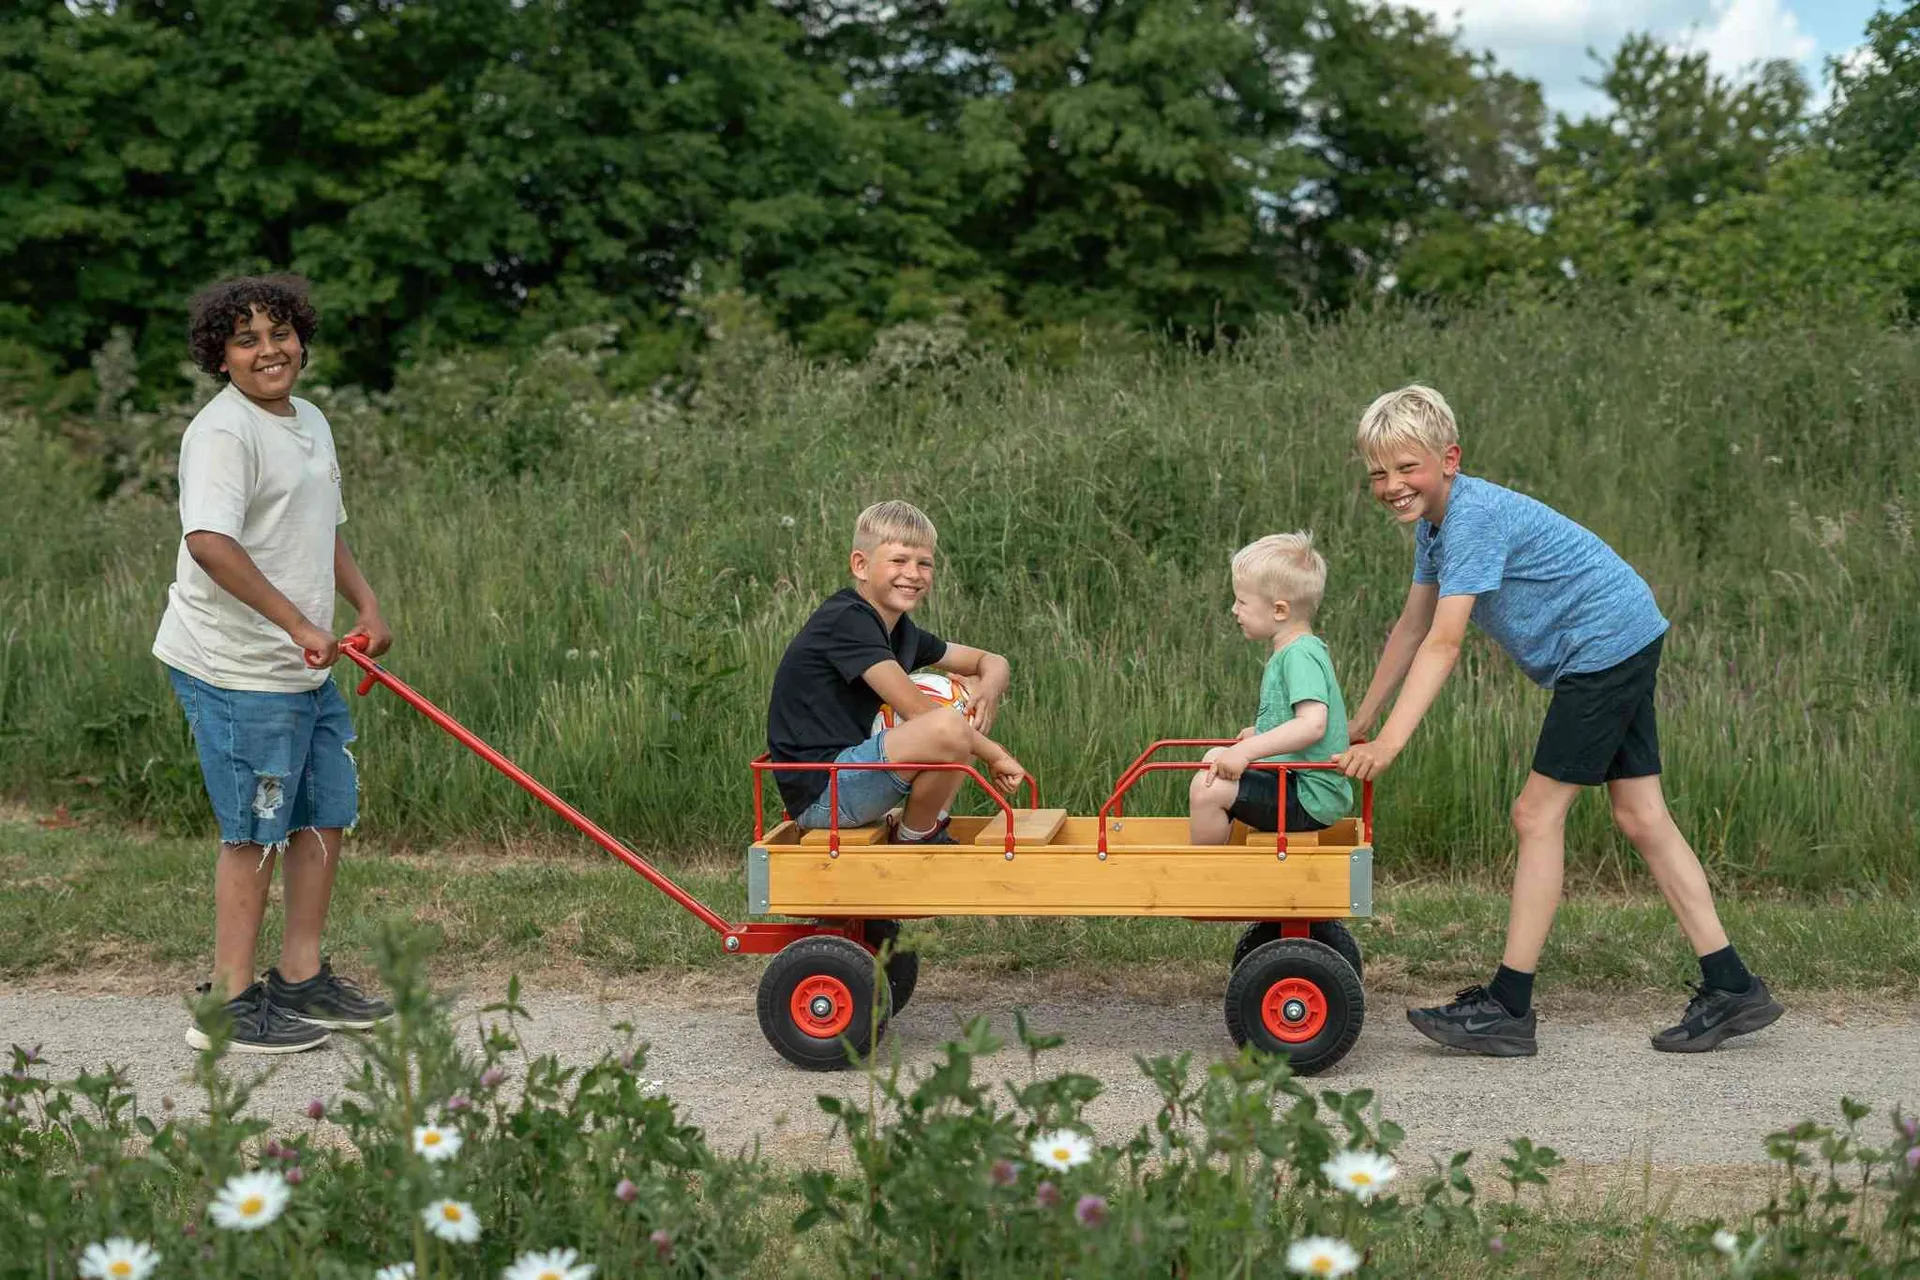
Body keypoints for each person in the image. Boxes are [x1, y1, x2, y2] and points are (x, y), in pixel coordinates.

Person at [1335, 384, 1782, 1056]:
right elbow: (1412, 624)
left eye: (1407, 468)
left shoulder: (1474, 519)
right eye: (1379, 473)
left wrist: (1393, 742)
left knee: (1535, 815)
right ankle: (1733, 986)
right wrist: (1361, 719)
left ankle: (1510, 1007)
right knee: (1641, 816)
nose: (1393, 485)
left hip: (1603, 648)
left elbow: (1445, 643)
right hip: (1620, 635)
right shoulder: (1437, 527)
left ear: (1449, 459)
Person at [154, 274, 394, 1053]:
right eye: (247, 339)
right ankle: (227, 1003)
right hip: (236, 668)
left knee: (324, 812)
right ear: (218, 356)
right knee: (255, 829)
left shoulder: (311, 421)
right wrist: (296, 621)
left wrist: (365, 605)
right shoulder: (223, 433)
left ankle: (300, 979)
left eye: (280, 333)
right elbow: (210, 543)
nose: (270, 350)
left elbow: (322, 526)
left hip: (304, 665)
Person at [767, 500, 1025, 843]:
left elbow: (991, 660)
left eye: (925, 563)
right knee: (948, 724)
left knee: (958, 712)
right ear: (861, 565)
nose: (914, 573)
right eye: (899, 560)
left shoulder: (901, 631)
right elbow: (918, 711)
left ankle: (923, 829)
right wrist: (996, 755)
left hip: (853, 777)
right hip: (824, 792)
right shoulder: (846, 620)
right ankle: (918, 837)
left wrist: (987, 689)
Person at [1188, 533, 1352, 844]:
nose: (1235, 610)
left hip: (1309, 796)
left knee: (1207, 788)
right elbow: (1298, 725)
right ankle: (1220, 858)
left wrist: (1248, 750)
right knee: (1213, 759)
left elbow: (1313, 725)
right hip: (1294, 780)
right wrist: (1264, 732)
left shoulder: (1300, 655)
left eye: (1242, 601)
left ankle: (1203, 876)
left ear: (1279, 610)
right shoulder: (1293, 651)